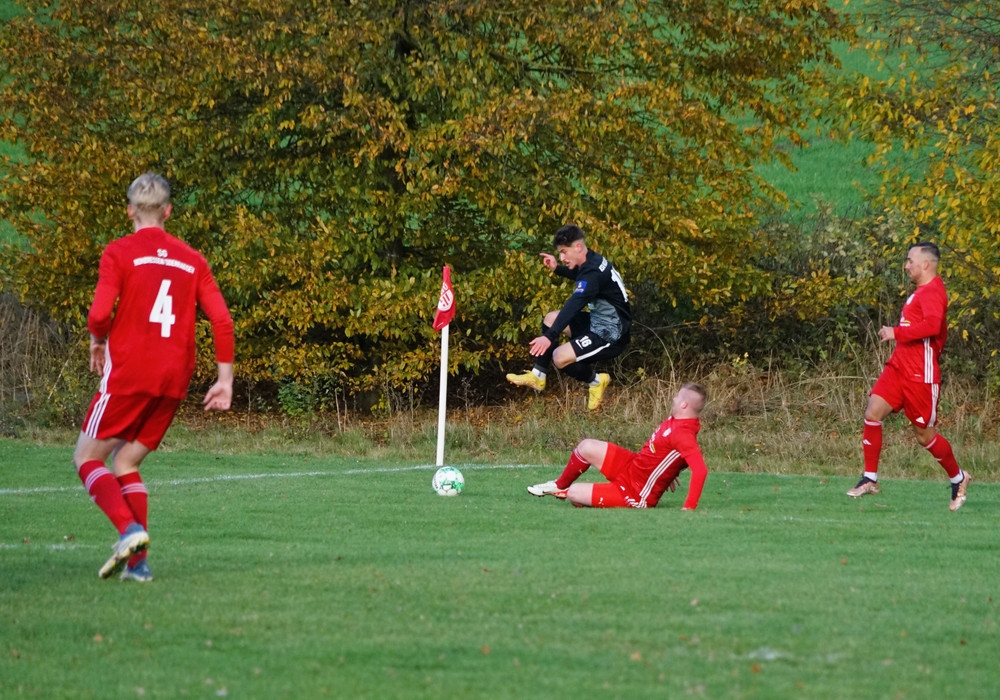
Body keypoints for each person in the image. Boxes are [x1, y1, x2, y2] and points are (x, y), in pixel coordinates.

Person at [73, 172, 235, 581]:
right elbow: (221, 319)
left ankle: (129, 531)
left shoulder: (120, 252)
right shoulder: (193, 259)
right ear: (168, 211)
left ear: (129, 211)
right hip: (173, 378)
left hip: (130, 372)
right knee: (126, 461)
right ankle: (139, 566)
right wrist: (225, 380)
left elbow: (97, 315)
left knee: (87, 457)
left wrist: (97, 339)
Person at [846, 241, 970, 511]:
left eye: (910, 261)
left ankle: (958, 478)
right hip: (899, 368)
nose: (906, 265)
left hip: (920, 374)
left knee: (924, 436)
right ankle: (870, 478)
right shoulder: (918, 292)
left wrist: (896, 333)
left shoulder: (934, 291)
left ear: (926, 264)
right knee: (872, 412)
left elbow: (932, 326)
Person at [506, 224, 632, 410]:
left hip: (612, 333)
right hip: (598, 322)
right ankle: (538, 375)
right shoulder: (591, 260)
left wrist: (549, 337)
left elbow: (574, 304)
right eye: (559, 253)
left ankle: (596, 381)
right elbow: (581, 276)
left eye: (564, 252)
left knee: (559, 357)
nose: (562, 257)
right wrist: (558, 269)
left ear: (578, 247)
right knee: (550, 318)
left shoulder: (592, 274)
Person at [526, 382, 709, 509]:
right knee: (586, 446)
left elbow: (700, 470)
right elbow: (668, 451)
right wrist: (670, 471)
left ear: (684, 404)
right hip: (631, 467)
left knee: (574, 493)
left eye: (677, 397)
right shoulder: (676, 420)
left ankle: (590, 496)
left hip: (635, 493)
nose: (674, 399)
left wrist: (689, 507)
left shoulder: (683, 433)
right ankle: (559, 485)